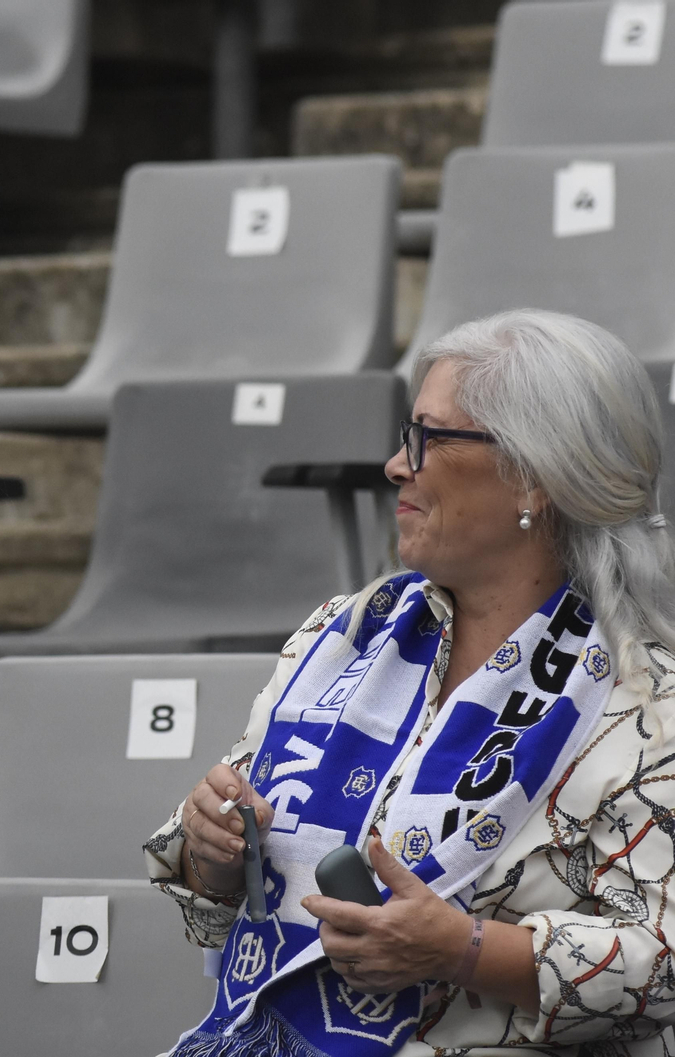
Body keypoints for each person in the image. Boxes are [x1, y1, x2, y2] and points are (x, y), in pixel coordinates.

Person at [149, 310, 675, 1057]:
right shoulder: (349, 631)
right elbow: (215, 891)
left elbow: (665, 961)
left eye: (429, 438)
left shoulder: (648, 702)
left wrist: (464, 950)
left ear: (536, 475)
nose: (398, 463)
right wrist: (216, 848)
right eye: (406, 434)